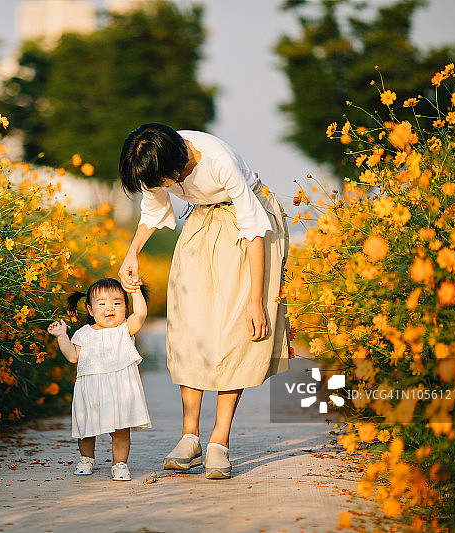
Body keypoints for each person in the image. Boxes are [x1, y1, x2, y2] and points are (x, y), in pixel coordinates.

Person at [117, 123, 290, 480]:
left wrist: (255, 299)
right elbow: (153, 211)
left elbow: (253, 229)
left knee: (235, 331)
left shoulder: (218, 160)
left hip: (249, 228)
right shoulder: (157, 158)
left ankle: (219, 442)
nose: (153, 188)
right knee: (188, 324)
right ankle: (189, 438)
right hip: (202, 222)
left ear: (174, 169)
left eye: (157, 181)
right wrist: (131, 253)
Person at [47, 278, 151, 482]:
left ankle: (119, 463)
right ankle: (86, 459)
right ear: (91, 309)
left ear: (125, 306)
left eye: (117, 302)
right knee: (86, 429)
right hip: (91, 389)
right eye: (102, 303)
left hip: (120, 389)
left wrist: (135, 290)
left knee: (121, 430)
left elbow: (140, 314)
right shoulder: (83, 334)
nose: (109, 308)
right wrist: (62, 336)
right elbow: (72, 356)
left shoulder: (124, 329)